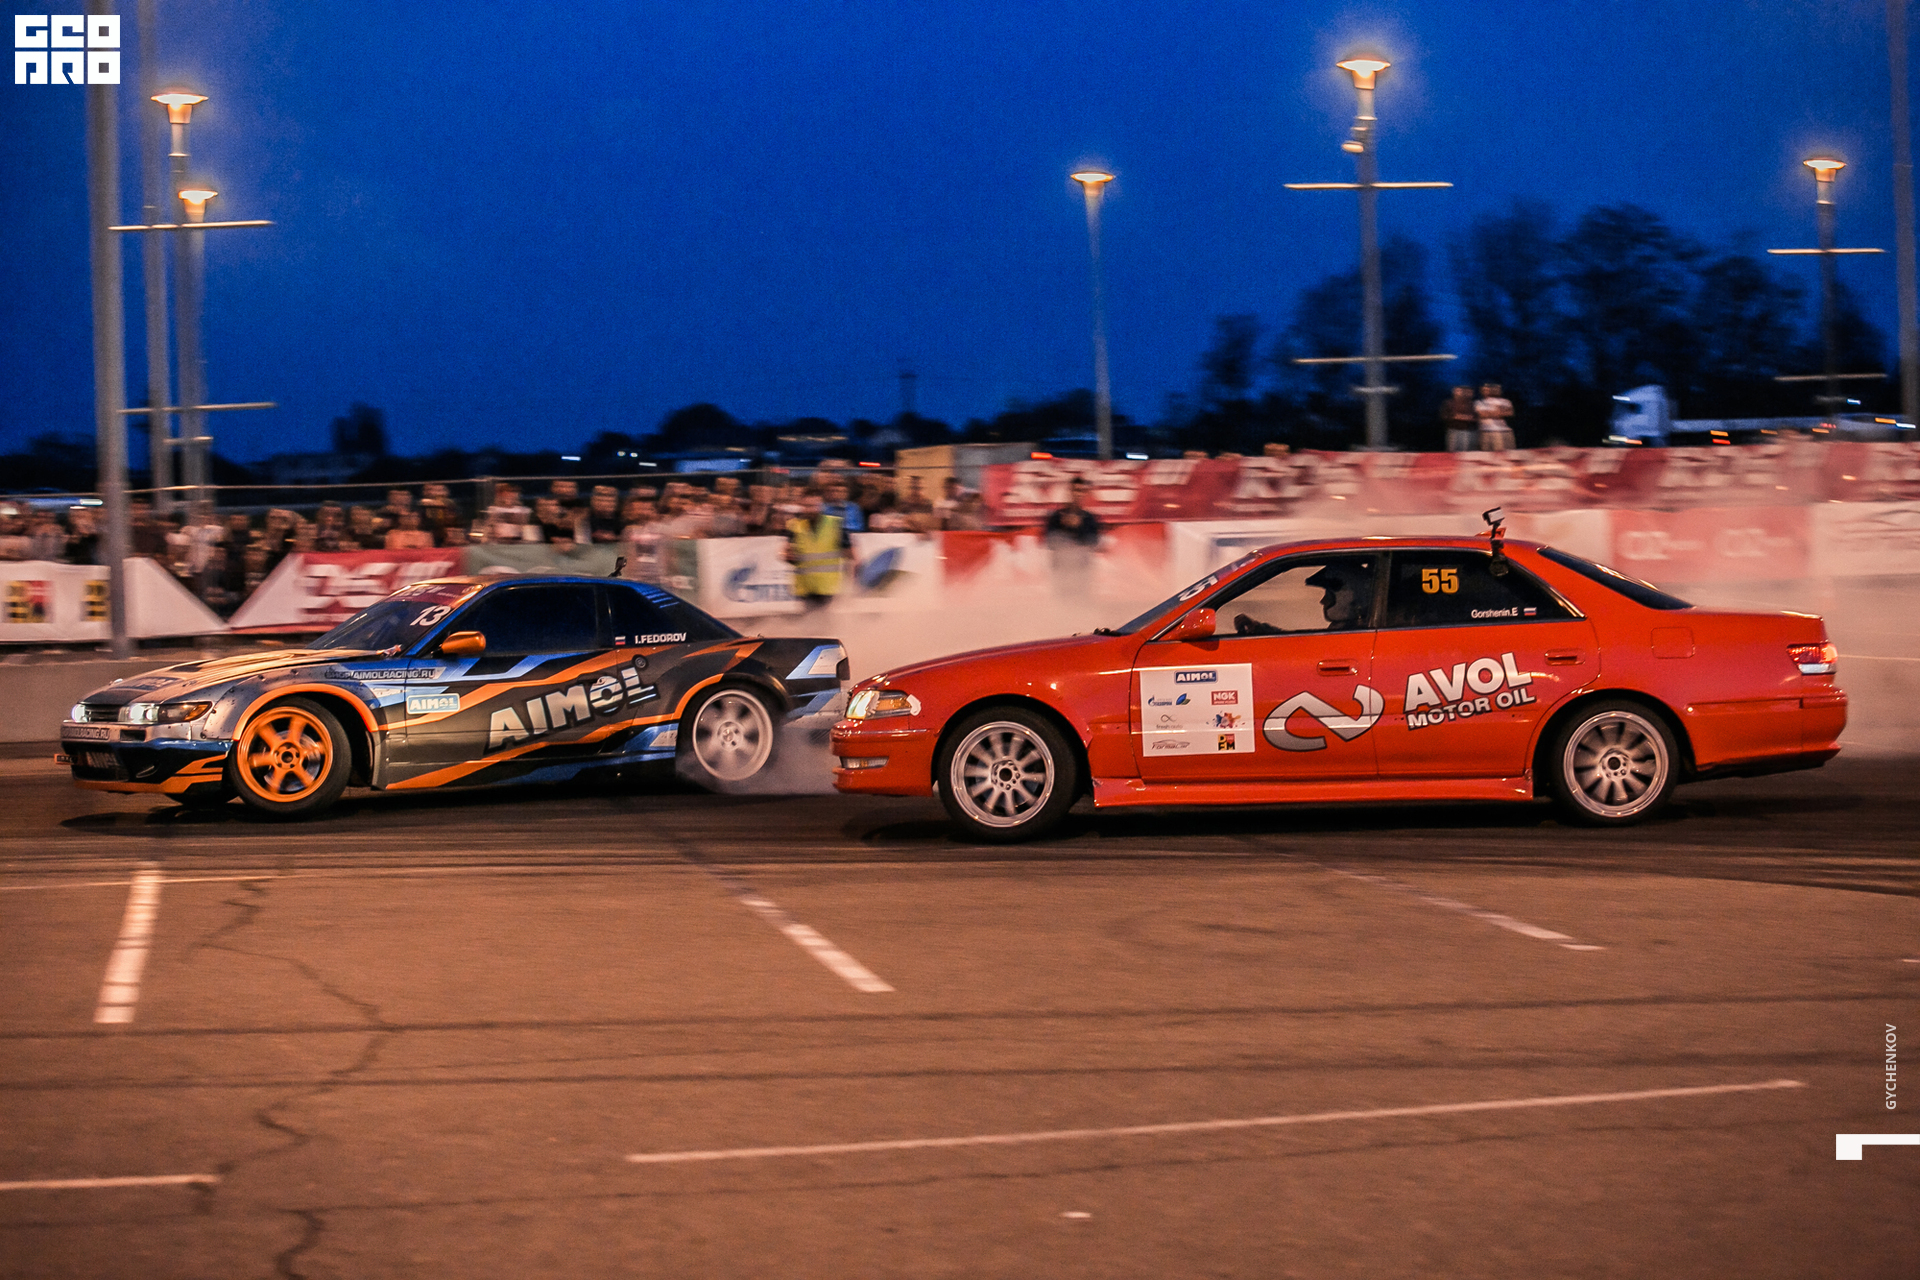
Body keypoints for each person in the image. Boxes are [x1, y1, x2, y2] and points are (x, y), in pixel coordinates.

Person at [786, 491, 848, 610]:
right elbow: (786, 551)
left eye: (814, 505)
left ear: (822, 506)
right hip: (806, 587)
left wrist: (848, 587)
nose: (811, 510)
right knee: (811, 618)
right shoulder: (794, 526)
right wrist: (787, 555)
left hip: (828, 588)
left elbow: (851, 556)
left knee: (823, 618)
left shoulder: (835, 524)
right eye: (807, 506)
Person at [1303, 563, 1370, 630]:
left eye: (1329, 595)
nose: (1322, 601)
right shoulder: (1343, 629)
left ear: (1349, 597)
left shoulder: (1350, 632)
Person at [1474, 383, 1515, 451]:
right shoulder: (1478, 402)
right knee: (1486, 453)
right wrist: (1499, 412)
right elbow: (1482, 415)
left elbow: (1510, 413)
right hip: (1485, 431)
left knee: (1502, 453)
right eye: (1484, 390)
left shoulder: (1506, 401)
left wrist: (1489, 413)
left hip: (1503, 431)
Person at [1442, 386, 1478, 452]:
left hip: (1468, 430)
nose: (1459, 393)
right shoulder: (1448, 403)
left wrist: (1465, 418)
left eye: (1461, 391)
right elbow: (1444, 416)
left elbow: (1477, 417)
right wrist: (1455, 417)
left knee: (1467, 450)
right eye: (1457, 391)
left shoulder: (1472, 404)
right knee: (1452, 451)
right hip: (1453, 430)